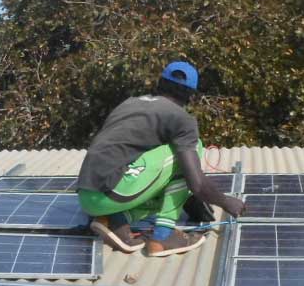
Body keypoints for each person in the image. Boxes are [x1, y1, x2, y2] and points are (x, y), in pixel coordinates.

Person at [77, 61, 245, 256]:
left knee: (167, 185)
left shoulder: (129, 103)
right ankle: (164, 236)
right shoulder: (181, 119)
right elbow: (197, 184)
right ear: (191, 95)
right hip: (113, 192)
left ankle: (115, 220)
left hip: (87, 199)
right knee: (192, 148)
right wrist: (226, 202)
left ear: (160, 84)